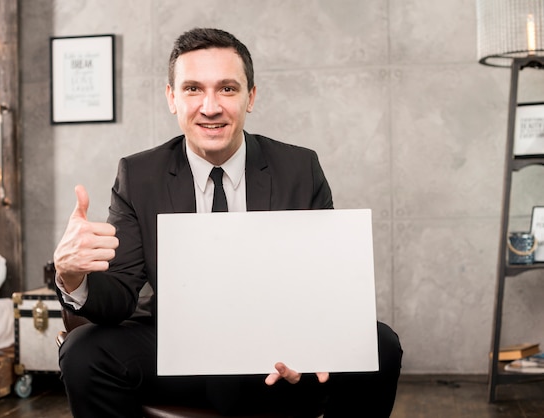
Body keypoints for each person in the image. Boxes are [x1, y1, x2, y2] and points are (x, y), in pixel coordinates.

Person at [53, 27, 403, 417]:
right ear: (172, 98)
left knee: (381, 345)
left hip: (277, 344)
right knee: (83, 352)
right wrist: (71, 276)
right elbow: (118, 296)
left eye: (227, 89)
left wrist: (314, 344)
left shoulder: (299, 167)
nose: (210, 106)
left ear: (250, 97)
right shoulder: (138, 175)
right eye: (192, 89)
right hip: (177, 344)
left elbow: (323, 282)